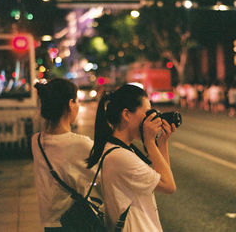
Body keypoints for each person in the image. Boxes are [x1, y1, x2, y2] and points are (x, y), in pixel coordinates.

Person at [87, 84, 177, 232]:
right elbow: (169, 186)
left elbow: (158, 178)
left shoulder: (120, 149)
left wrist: (162, 142)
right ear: (127, 114)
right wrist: (149, 141)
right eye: (147, 113)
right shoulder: (120, 156)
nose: (150, 119)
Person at [31, 78, 97, 232]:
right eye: (77, 101)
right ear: (70, 104)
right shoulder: (81, 144)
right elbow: (102, 174)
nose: (78, 106)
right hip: (73, 222)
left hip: (49, 223)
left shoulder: (37, 141)